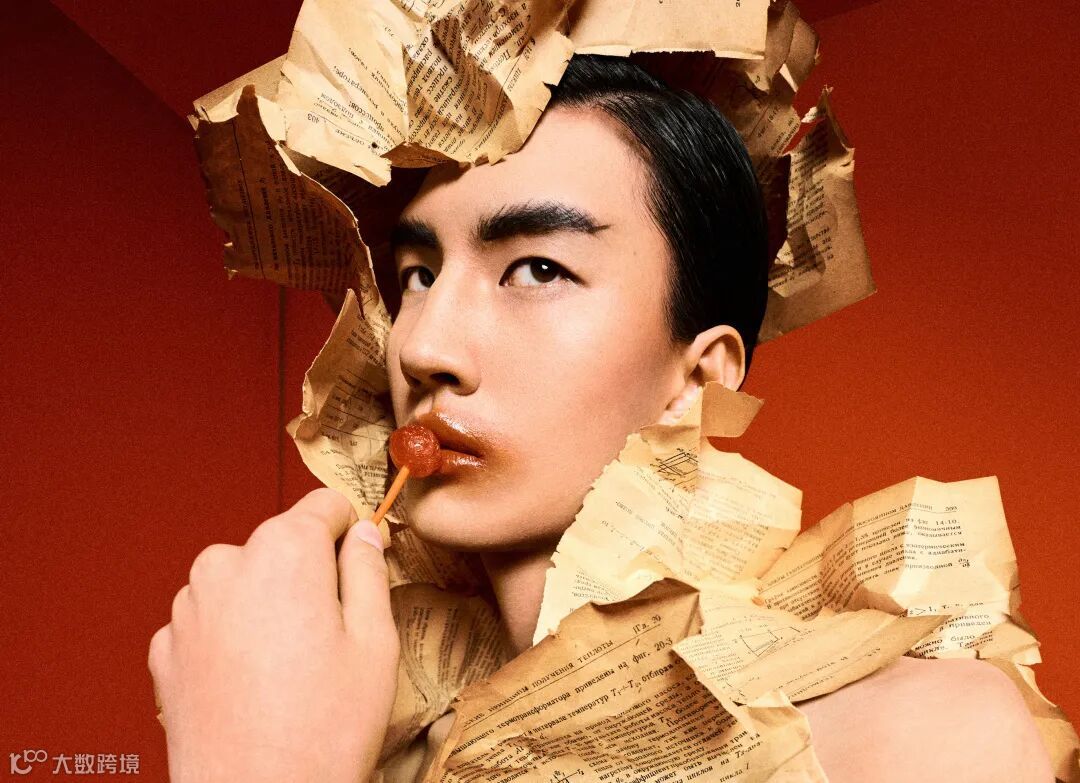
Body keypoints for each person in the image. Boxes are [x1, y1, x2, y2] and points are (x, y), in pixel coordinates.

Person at [148, 55, 1054, 782]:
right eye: (418, 274)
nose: (424, 345)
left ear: (696, 377)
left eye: (538, 269)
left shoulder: (913, 740)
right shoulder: (350, 730)